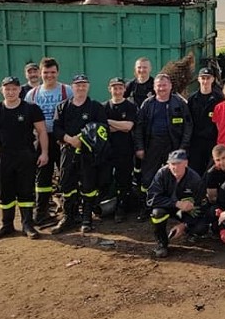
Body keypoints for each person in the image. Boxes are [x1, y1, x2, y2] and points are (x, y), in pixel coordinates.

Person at [0, 76, 49, 239]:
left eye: (14, 89)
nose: (10, 92)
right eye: (7, 89)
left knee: (26, 190)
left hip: (25, 155)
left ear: (19, 90)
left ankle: (27, 225)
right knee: (5, 190)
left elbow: (42, 131)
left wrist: (44, 153)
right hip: (4, 156)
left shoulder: (31, 109)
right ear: (2, 90)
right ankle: (6, 225)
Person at [51, 74, 108, 234]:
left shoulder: (95, 107)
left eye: (84, 85)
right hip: (68, 151)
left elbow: (103, 128)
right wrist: (69, 139)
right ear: (72, 87)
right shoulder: (62, 107)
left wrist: (82, 138)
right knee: (67, 184)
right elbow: (56, 128)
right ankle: (69, 216)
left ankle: (86, 218)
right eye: (78, 85)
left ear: (88, 87)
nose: (81, 88)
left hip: (88, 153)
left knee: (88, 185)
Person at [133, 73, 192, 221]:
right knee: (147, 179)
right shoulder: (147, 104)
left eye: (164, 85)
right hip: (151, 145)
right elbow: (139, 127)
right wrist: (139, 147)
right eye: (158, 85)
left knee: (174, 177)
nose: (161, 88)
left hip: (173, 147)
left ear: (170, 86)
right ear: (154, 87)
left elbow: (188, 126)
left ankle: (173, 209)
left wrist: (183, 148)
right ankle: (146, 207)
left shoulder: (179, 103)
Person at [25, 57, 72, 227]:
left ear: (58, 72)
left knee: (67, 176)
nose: (49, 75)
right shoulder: (32, 94)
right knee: (43, 176)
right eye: (46, 72)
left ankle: (70, 212)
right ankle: (41, 213)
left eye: (52, 72)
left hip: (62, 139)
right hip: (41, 139)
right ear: (40, 73)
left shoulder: (67, 91)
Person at [146, 149, 208, 258]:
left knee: (201, 227)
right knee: (157, 213)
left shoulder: (195, 179)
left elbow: (201, 206)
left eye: (178, 163)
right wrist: (176, 203)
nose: (175, 167)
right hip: (168, 207)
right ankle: (162, 243)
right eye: (172, 164)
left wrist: (184, 225)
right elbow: (151, 198)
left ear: (186, 163)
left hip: (187, 210)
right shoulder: (162, 174)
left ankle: (189, 231)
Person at [102, 77, 138, 223]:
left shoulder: (130, 106)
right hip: (107, 150)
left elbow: (128, 126)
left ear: (124, 89)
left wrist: (109, 122)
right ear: (109, 89)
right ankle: (107, 205)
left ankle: (121, 208)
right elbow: (102, 128)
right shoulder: (103, 107)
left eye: (120, 88)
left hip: (125, 150)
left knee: (124, 180)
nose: (117, 91)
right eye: (114, 88)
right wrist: (119, 126)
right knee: (106, 178)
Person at [187, 68, 222, 175]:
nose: (205, 81)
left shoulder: (219, 99)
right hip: (195, 142)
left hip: (213, 141)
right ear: (198, 79)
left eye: (208, 78)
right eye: (203, 78)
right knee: (195, 170)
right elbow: (188, 121)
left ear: (213, 79)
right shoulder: (192, 99)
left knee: (212, 172)